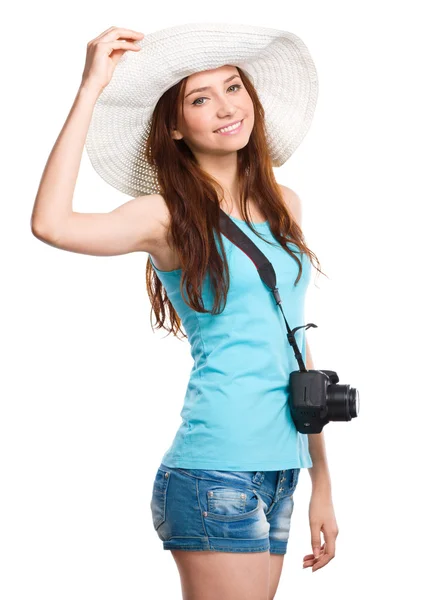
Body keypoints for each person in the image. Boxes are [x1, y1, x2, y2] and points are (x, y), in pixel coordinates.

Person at [31, 22, 339, 600]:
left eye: (234, 88)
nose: (227, 107)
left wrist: (322, 478)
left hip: (279, 470)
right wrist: (90, 89)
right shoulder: (165, 215)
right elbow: (51, 224)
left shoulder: (284, 206)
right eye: (201, 99)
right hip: (215, 470)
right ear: (174, 126)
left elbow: (298, 347)